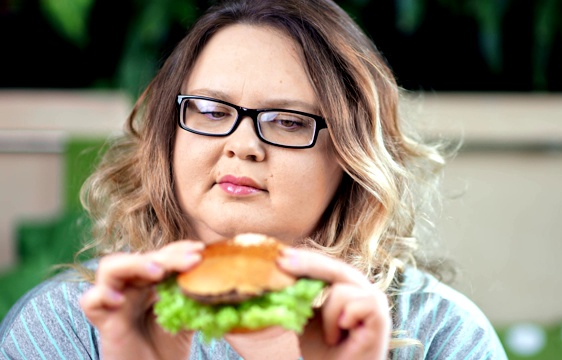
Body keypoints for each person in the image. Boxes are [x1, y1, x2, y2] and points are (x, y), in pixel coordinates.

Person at [0, 0, 507, 359]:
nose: (242, 144)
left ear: (351, 157)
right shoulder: (66, 327)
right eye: (210, 109)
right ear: (168, 135)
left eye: (288, 122)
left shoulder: (441, 335)